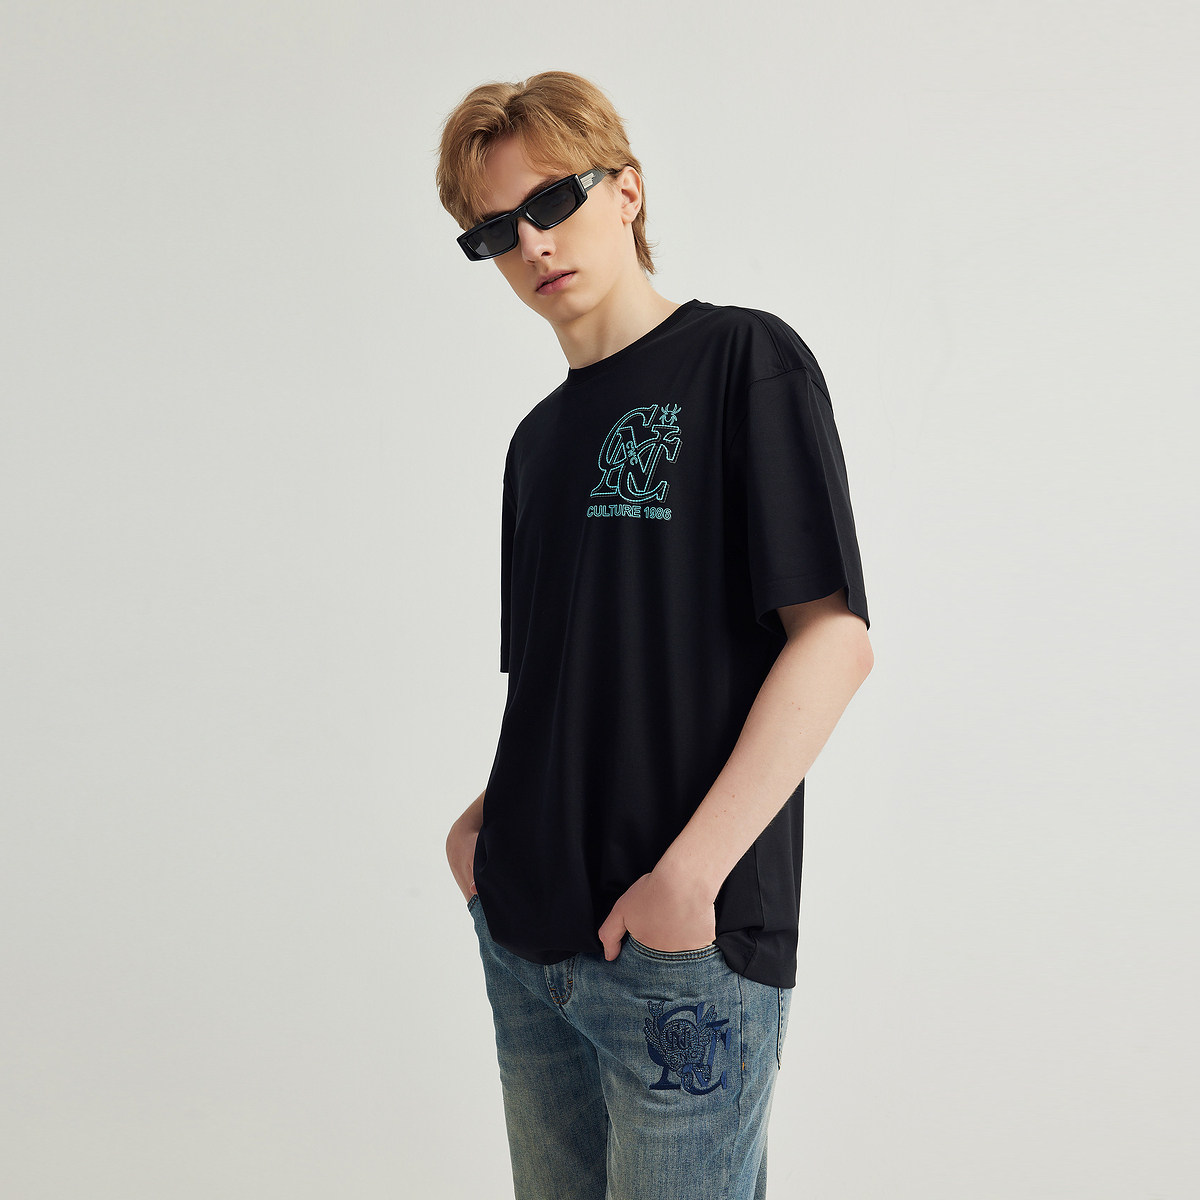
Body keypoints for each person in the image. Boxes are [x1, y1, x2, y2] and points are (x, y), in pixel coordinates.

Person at [435, 70, 874, 1200]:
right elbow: (562, 679)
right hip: (527, 940)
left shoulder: (743, 360)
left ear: (626, 190)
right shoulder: (537, 443)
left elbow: (832, 641)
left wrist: (690, 877)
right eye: (496, 230)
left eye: (552, 201)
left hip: (680, 954)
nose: (532, 244)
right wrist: (483, 827)